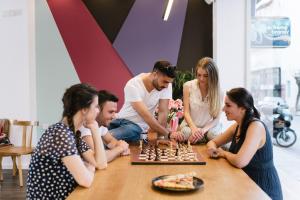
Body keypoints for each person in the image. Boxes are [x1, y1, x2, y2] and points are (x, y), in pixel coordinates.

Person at [27, 83, 107, 199]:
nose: (98, 111)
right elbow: (86, 181)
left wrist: (94, 128)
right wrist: (89, 168)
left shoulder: (72, 133)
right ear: (84, 109)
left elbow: (101, 163)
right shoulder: (60, 134)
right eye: (96, 106)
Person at [207, 87, 283, 200]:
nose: (223, 109)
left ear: (242, 108)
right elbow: (212, 142)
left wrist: (223, 153)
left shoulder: (255, 127)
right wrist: (212, 149)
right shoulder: (237, 126)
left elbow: (240, 161)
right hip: (245, 184)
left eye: (228, 105)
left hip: (262, 189)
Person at [109, 60, 184, 142]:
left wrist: (161, 137)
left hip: (135, 127)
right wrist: (168, 134)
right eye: (165, 82)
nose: (166, 86)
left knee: (104, 139)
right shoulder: (133, 84)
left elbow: (163, 112)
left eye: (169, 83)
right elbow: (146, 116)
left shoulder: (166, 86)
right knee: (97, 134)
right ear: (155, 74)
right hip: (118, 120)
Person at [180, 57, 222, 144]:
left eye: (205, 76)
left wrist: (203, 131)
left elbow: (216, 119)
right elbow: (186, 113)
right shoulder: (188, 86)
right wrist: (194, 129)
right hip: (190, 126)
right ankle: (201, 139)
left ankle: (201, 138)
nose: (201, 79)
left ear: (212, 76)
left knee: (212, 135)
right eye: (199, 75)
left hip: (209, 128)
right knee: (186, 133)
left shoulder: (219, 92)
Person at [80, 90, 130, 162]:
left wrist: (120, 148)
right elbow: (100, 159)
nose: (114, 116)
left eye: (114, 112)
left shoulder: (101, 127)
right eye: (110, 112)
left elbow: (112, 142)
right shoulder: (85, 128)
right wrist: (120, 148)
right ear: (97, 110)